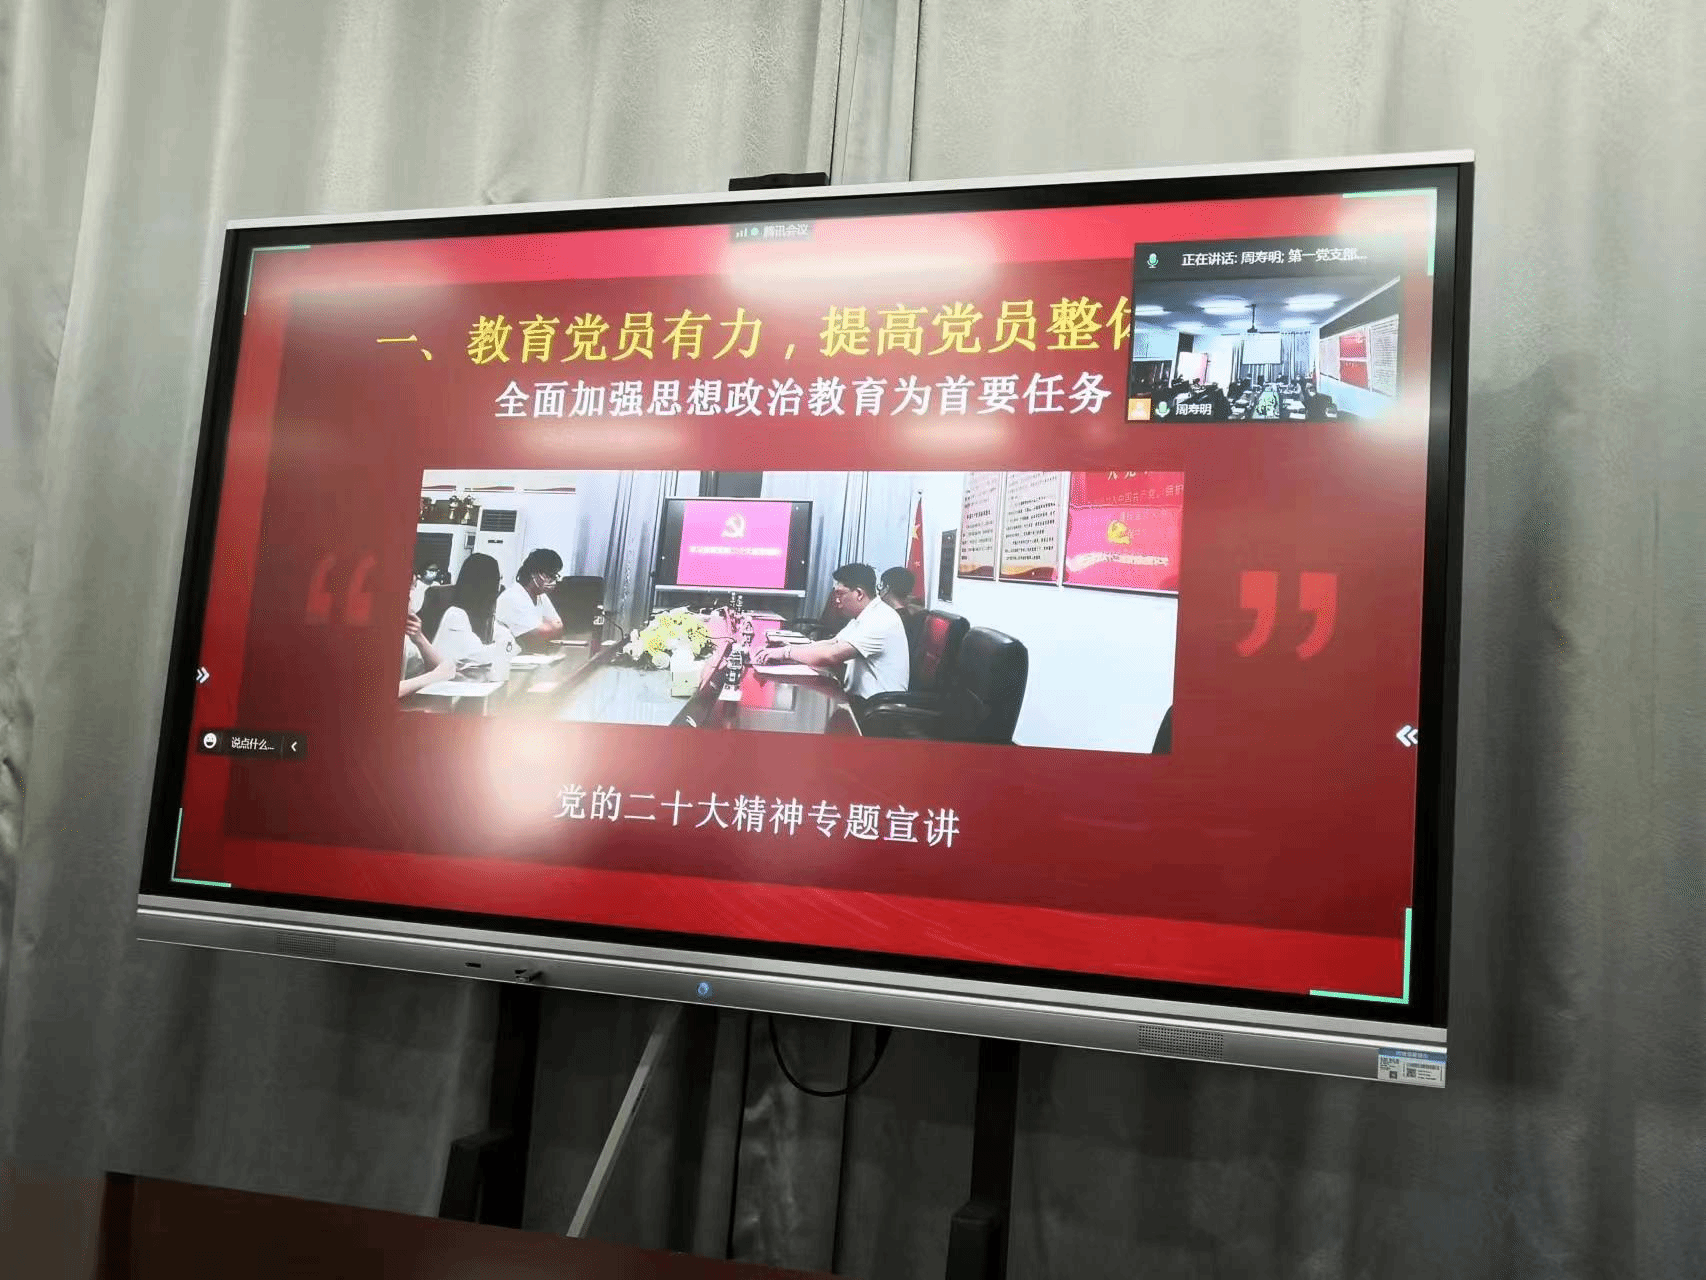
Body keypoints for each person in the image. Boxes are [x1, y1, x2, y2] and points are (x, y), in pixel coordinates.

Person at [756, 563, 909, 698]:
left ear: (859, 594)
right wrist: (789, 649)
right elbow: (833, 643)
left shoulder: (880, 619)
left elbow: (832, 655)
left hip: (876, 708)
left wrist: (786, 652)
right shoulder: (868, 614)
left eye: (840, 594)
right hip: (859, 699)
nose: (836, 600)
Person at [430, 552, 517, 679]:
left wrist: (504, 646)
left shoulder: (485, 617)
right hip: (444, 686)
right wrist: (502, 647)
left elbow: (511, 643)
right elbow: (477, 656)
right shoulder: (455, 615)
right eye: (499, 579)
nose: (500, 587)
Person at [496, 548, 565, 650]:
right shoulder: (513, 597)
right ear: (533, 573)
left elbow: (559, 626)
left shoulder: (540, 596)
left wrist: (547, 629)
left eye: (555, 576)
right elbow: (535, 638)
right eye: (549, 575)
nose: (553, 580)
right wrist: (547, 628)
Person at [399, 608, 454, 698]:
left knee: (455, 614)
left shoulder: (409, 641)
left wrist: (419, 638)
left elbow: (447, 668)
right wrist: (435, 676)